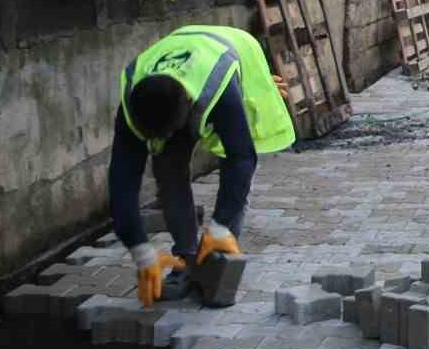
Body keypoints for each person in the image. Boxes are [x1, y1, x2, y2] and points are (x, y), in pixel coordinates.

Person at [109, 25, 296, 307]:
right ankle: (186, 259)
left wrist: (221, 225)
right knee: (168, 169)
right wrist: (141, 251)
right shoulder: (133, 102)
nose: (167, 140)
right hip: (181, 65)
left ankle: (218, 257)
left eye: (170, 132)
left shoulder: (217, 85)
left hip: (233, 54)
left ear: (188, 105)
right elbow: (121, 184)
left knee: (235, 159)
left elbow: (241, 158)